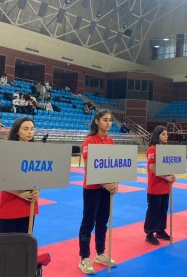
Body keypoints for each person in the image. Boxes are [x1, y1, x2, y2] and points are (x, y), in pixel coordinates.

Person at [78, 109, 118, 275]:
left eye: (110, 120)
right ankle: (84, 257)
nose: (108, 123)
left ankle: (100, 253)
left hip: (106, 190)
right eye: (105, 120)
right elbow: (89, 169)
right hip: (92, 190)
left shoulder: (111, 141)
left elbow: (114, 166)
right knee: (88, 224)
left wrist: (114, 183)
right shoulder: (89, 141)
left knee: (102, 222)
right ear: (97, 122)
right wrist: (106, 183)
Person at [0, 117, 40, 233]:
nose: (30, 132)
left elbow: (39, 176)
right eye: (26, 129)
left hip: (29, 206)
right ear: (17, 131)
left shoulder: (37, 151)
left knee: (24, 246)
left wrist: (38, 190)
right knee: (5, 247)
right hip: (10, 206)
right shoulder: (8, 151)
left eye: (32, 129)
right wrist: (19, 193)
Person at [144, 126, 176, 245]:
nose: (166, 136)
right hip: (155, 186)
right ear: (157, 135)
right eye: (163, 134)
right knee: (154, 210)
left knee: (163, 210)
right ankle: (149, 233)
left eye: (166, 134)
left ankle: (160, 230)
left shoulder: (165, 150)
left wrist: (171, 176)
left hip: (165, 186)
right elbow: (153, 167)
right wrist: (166, 176)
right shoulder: (152, 149)